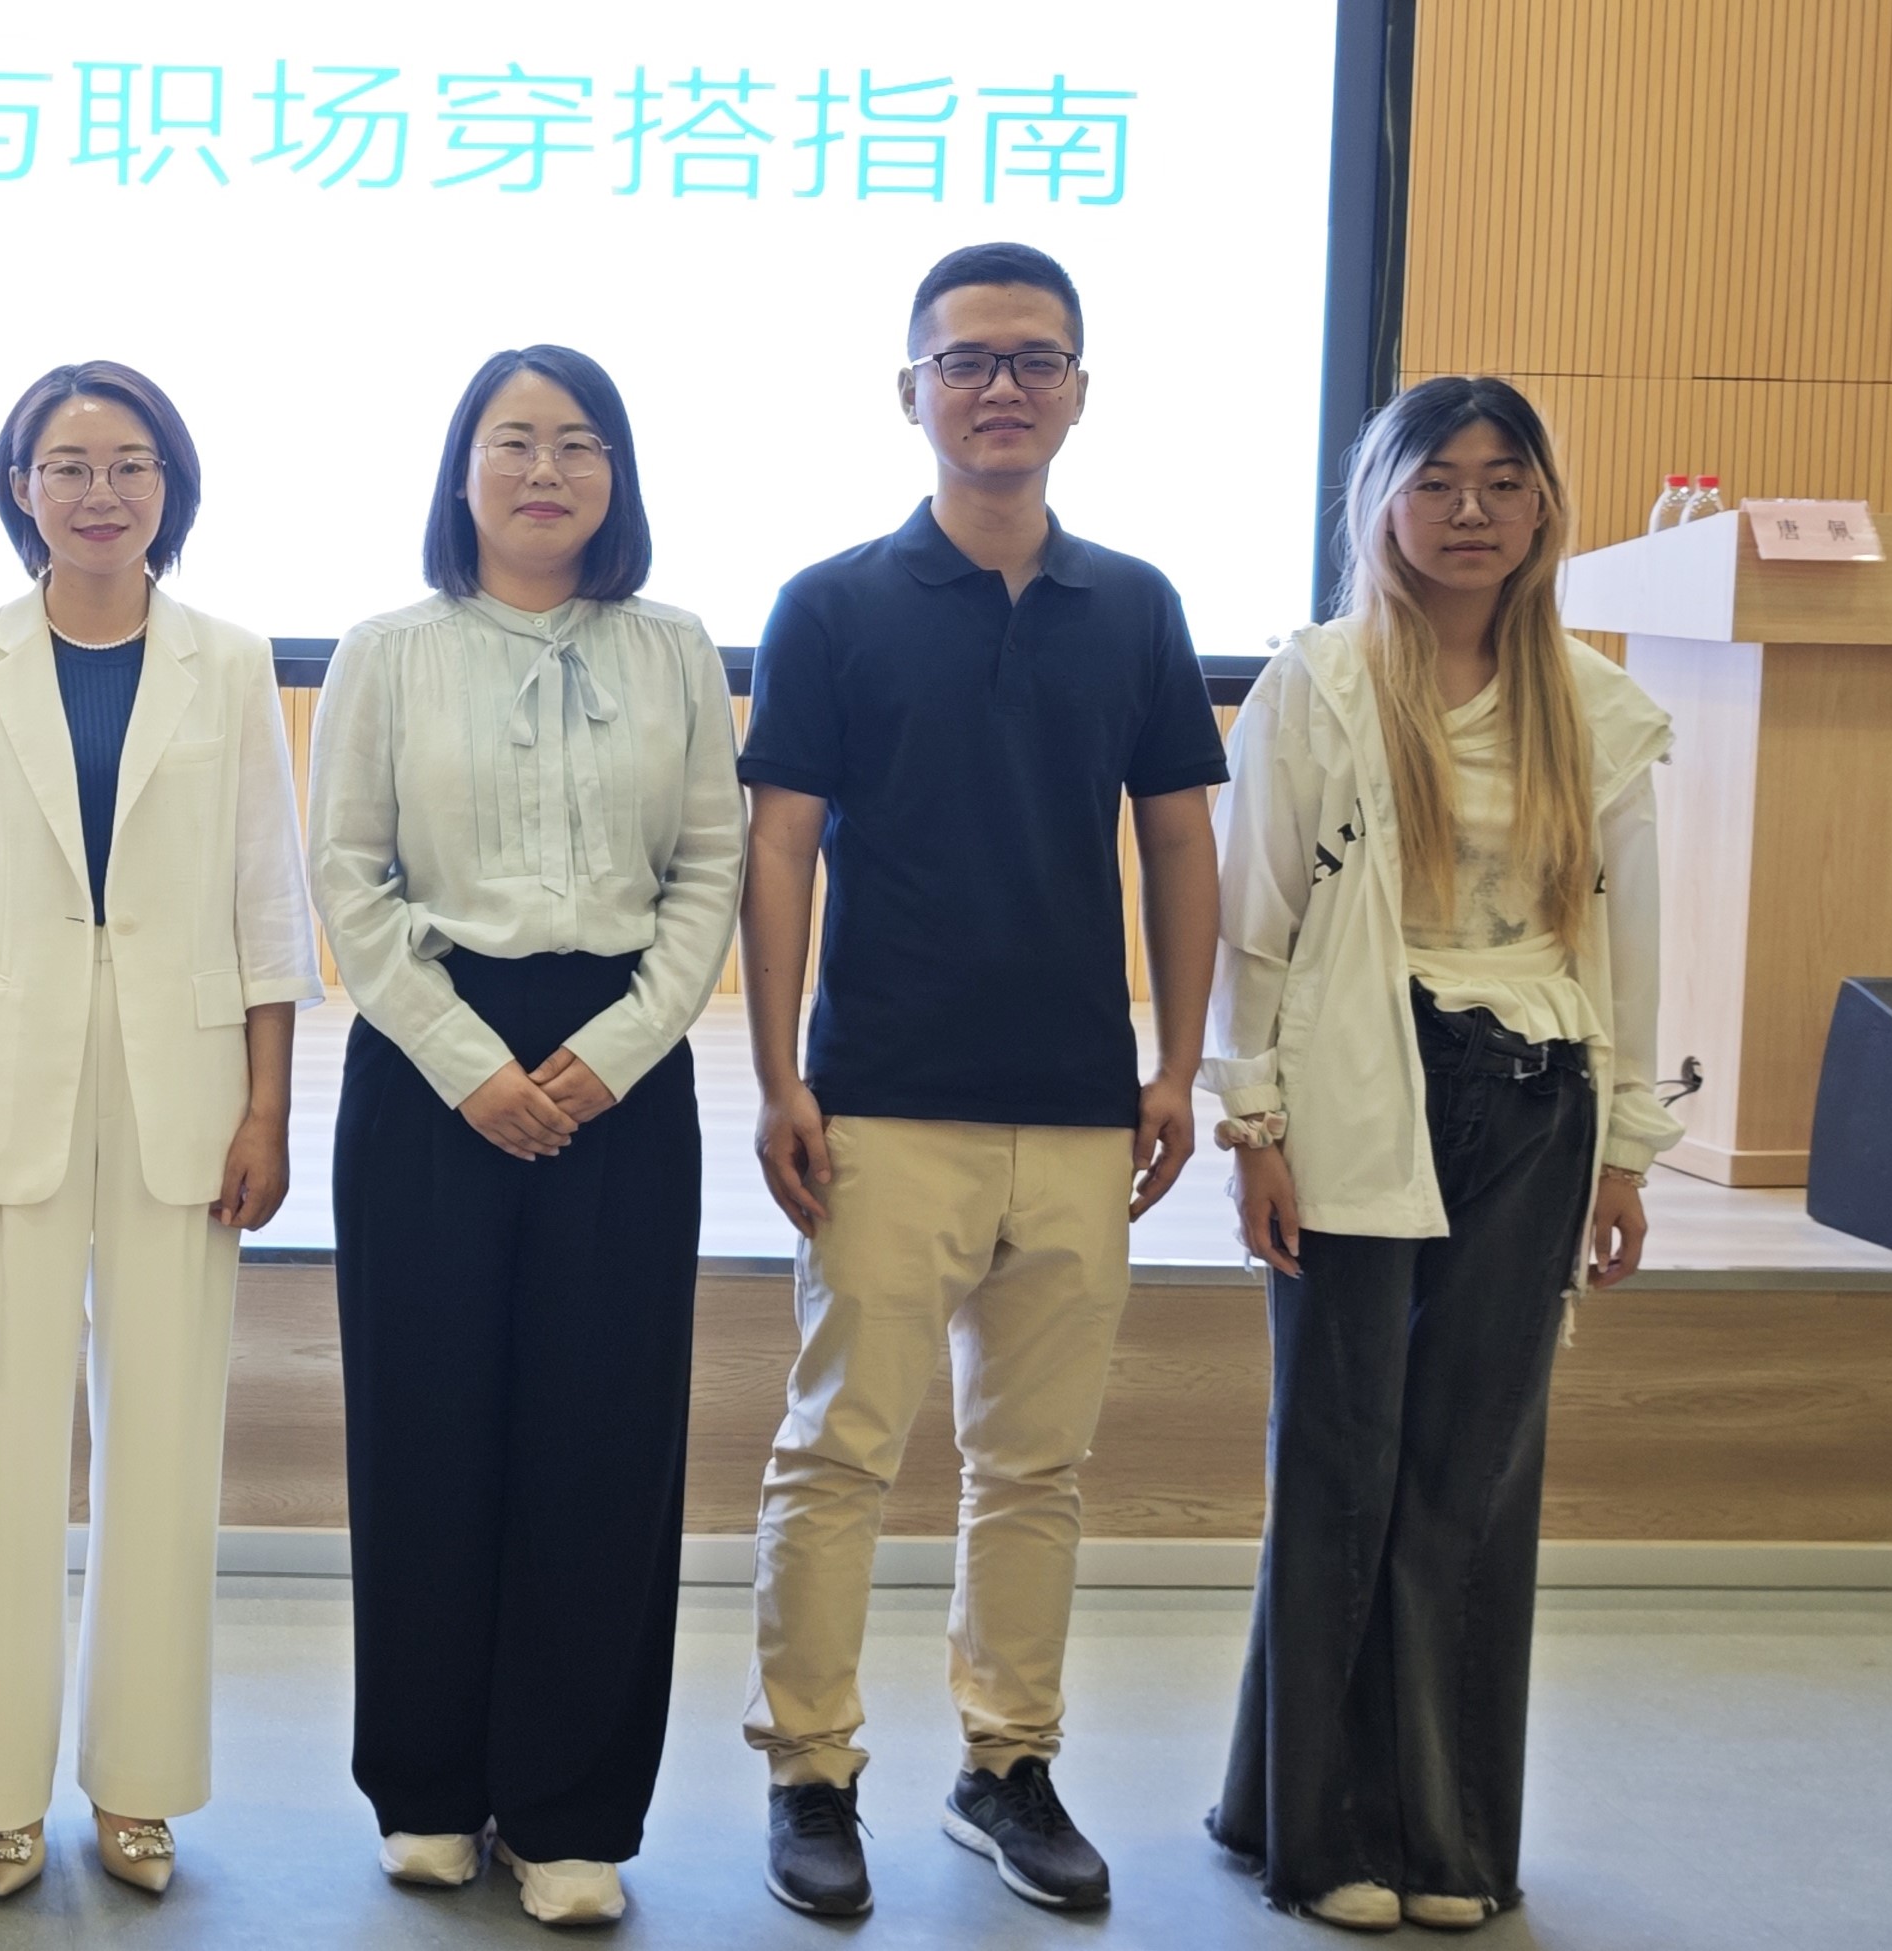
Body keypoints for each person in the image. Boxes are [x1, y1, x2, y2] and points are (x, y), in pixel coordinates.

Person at [734, 241, 1227, 1918]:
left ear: (1081, 391)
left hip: (1082, 1111)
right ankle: (810, 1773)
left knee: (1034, 1469)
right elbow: (782, 847)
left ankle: (1004, 1763)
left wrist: (1178, 1064)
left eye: (1035, 359)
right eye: (968, 360)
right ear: (913, 392)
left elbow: (1178, 841)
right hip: (880, 1102)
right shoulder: (831, 603)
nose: (1002, 386)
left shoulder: (1138, 606)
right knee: (839, 1456)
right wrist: (780, 1074)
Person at [1202, 375, 1671, 1936]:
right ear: (1380, 505)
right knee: (1340, 1459)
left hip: (1534, 1103)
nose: (1471, 510)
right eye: (1437, 480)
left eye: (1503, 480)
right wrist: (1251, 1122)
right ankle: (1317, 1830)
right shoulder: (1321, 681)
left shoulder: (1596, 707)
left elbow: (1629, 939)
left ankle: (1450, 1837)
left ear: (1544, 507)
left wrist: (1627, 1151)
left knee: (1472, 1470)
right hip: (1359, 1087)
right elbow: (1255, 922)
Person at [308, 344, 742, 1927]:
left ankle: (569, 1812)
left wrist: (617, 1050)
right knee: (424, 1429)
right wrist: (465, 1061)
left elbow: (709, 871)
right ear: (463, 470)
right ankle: (427, 1788)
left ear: (616, 474)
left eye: (577, 443)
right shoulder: (385, 652)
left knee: (602, 1442)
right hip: (431, 1067)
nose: (545, 470)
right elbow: (347, 876)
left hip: (621, 1067)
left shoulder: (676, 650)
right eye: (513, 440)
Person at [0, 360, 319, 1898]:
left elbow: (271, 902)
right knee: (0, 1444)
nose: (100, 491)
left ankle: (139, 1784)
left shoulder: (229, 659)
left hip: (185, 1096)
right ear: (22, 488)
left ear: (169, 487)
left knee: (165, 1446)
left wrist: (269, 1105)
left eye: (130, 464)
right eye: (67, 465)